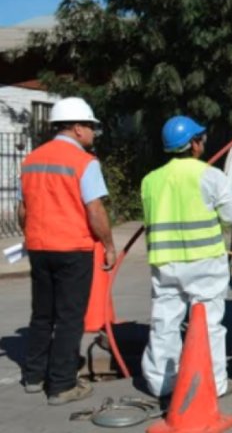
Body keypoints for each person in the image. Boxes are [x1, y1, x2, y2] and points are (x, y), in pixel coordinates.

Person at [18, 97, 117, 405]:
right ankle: (61, 384)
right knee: (70, 317)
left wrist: (31, 234)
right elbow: (95, 210)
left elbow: (23, 210)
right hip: (72, 248)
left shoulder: (31, 159)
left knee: (42, 314)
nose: (93, 133)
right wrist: (109, 245)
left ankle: (34, 376)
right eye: (91, 127)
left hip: (39, 247)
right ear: (77, 128)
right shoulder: (85, 162)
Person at [140, 115, 232, 399]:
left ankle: (162, 383)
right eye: (201, 139)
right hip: (204, 262)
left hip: (165, 263)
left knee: (164, 323)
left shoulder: (150, 181)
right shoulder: (209, 175)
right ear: (194, 144)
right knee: (209, 326)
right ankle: (214, 384)